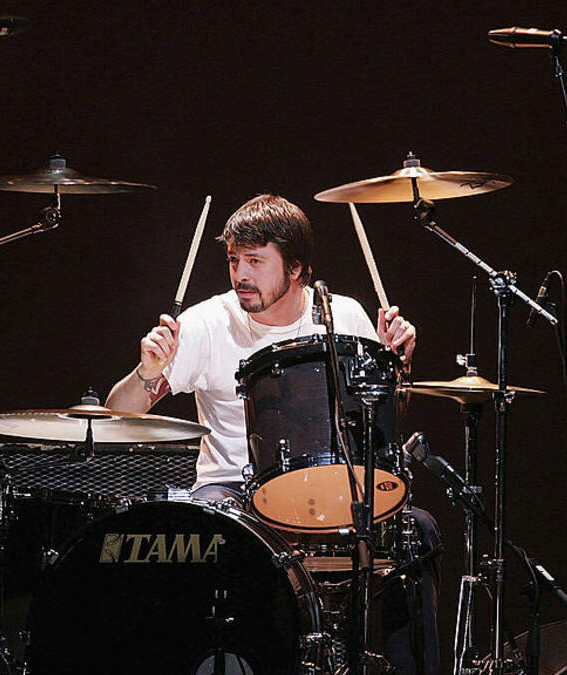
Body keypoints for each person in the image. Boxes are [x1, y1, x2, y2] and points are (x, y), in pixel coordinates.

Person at [106, 193, 438, 673]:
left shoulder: (343, 315)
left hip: (333, 489)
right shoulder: (206, 322)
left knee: (418, 530)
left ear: (296, 268)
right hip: (233, 492)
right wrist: (146, 372)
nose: (240, 274)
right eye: (233, 260)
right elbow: (119, 417)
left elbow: (385, 419)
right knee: (202, 530)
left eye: (255, 261)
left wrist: (396, 369)